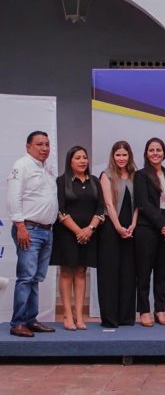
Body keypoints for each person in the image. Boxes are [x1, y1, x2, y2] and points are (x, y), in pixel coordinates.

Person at [6, 131, 59, 337]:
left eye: (47, 144)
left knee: (35, 278)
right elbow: (13, 197)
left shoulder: (46, 168)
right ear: (28, 146)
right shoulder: (22, 166)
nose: (44, 148)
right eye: (39, 144)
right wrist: (20, 227)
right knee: (26, 278)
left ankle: (31, 320)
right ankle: (18, 323)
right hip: (29, 229)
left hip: (46, 230)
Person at [51, 146, 105, 331]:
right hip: (67, 233)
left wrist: (90, 229)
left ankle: (79, 315)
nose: (82, 161)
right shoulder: (61, 181)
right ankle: (67, 314)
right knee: (67, 271)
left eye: (84, 157)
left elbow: (101, 208)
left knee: (81, 271)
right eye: (78, 158)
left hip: (89, 233)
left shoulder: (94, 181)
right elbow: (60, 209)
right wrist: (77, 231)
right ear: (70, 161)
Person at [134, 138, 165, 327]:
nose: (155, 153)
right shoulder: (140, 175)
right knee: (144, 271)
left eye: (158, 150)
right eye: (151, 150)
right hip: (147, 228)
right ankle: (144, 311)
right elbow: (143, 203)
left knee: (163, 271)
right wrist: (162, 225)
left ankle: (160, 309)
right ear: (146, 153)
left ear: (164, 153)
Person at [97, 141, 138, 328]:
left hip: (130, 230)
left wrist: (133, 225)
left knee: (128, 273)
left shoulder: (136, 175)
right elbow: (108, 204)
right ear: (113, 156)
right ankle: (110, 318)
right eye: (118, 155)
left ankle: (126, 317)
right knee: (110, 273)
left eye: (124, 155)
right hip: (110, 229)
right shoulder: (106, 175)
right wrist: (119, 227)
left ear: (129, 156)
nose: (121, 158)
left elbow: (138, 204)